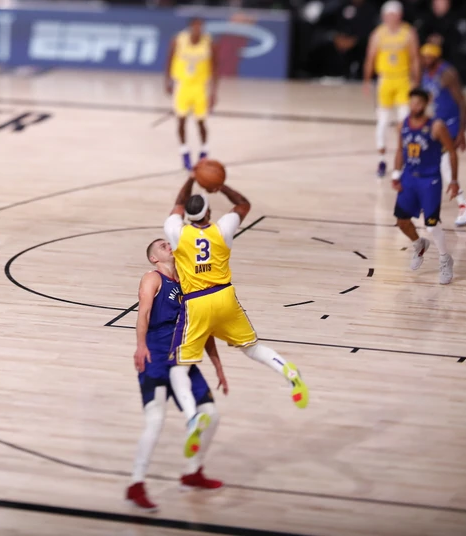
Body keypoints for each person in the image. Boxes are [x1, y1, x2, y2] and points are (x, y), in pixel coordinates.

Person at [163, 177, 309, 457]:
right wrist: (222, 187)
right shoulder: (222, 228)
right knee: (252, 348)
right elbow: (243, 204)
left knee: (178, 368)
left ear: (188, 215)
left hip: (197, 303)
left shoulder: (176, 231)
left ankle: (193, 416)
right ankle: (288, 371)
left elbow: (178, 204)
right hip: (225, 297)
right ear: (208, 212)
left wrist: (192, 178)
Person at [126, 238, 227, 512]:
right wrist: (140, 346)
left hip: (183, 358)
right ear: (154, 258)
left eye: (168, 243)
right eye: (161, 246)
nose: (168, 246)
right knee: (156, 419)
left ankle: (192, 472)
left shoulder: (188, 281)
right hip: (156, 355)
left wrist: (217, 364)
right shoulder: (152, 278)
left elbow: (202, 326)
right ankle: (136, 484)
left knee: (211, 415)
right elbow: (144, 313)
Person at [391, 88, 458, 285]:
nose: (414, 106)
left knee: (431, 224)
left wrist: (454, 181)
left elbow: (452, 152)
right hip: (409, 178)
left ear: (425, 104)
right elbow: (399, 150)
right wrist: (396, 175)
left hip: (430, 180)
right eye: (412, 102)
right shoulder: (402, 125)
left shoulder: (436, 126)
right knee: (401, 221)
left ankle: (445, 259)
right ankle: (419, 244)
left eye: (418, 103)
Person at [364, 1, 421, 178]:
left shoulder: (408, 33)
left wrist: (417, 81)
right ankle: (381, 159)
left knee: (404, 122)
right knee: (382, 122)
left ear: (399, 15)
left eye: (394, 14)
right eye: (388, 15)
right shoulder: (378, 34)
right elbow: (370, 57)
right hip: (385, 80)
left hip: (403, 80)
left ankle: (404, 160)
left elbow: (415, 58)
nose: (391, 18)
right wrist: (367, 80)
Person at [421, 43, 466, 226]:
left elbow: (462, 102)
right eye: (424, 56)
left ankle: (464, 205)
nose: (426, 60)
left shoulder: (447, 73)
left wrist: (462, 131)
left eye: (429, 57)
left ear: (437, 57)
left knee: (444, 164)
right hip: (437, 123)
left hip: (451, 123)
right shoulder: (425, 73)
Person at [165, 18, 219, 171]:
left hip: (200, 87)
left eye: (200, 26)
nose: (198, 29)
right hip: (182, 85)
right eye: (195, 26)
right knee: (181, 120)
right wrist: (167, 81)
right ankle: (184, 152)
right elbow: (169, 60)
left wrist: (213, 92)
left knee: (201, 122)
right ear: (190, 27)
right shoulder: (178, 40)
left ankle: (204, 151)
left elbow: (215, 67)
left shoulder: (209, 42)